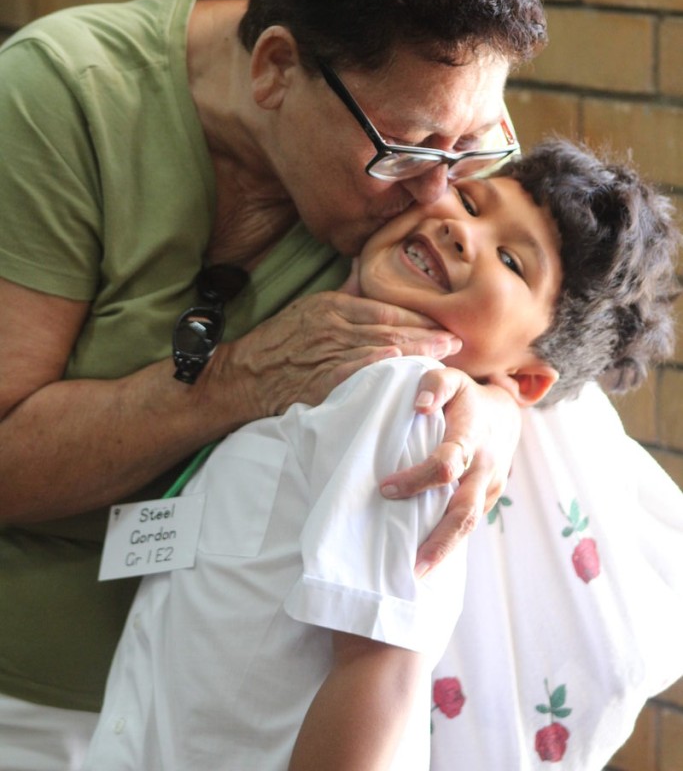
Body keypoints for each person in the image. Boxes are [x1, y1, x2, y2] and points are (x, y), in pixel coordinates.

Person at [0, 0, 547, 766]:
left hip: (243, 721)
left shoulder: (429, 112)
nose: (439, 196)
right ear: (276, 68)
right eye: (408, 148)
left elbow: (532, 325)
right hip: (30, 698)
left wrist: (492, 413)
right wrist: (238, 381)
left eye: (472, 147)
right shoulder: (63, 97)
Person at [83, 139, 681, 771]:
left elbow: (382, 674)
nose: (462, 232)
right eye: (470, 202)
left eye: (511, 261)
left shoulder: (407, 401)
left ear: (523, 379)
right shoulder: (335, 377)